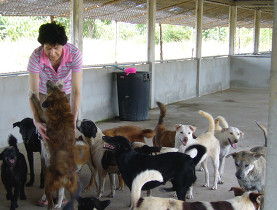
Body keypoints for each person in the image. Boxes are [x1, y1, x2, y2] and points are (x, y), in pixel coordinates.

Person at [27, 21, 82, 207]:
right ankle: (48, 191)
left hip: (65, 95)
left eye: (56, 48)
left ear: (63, 45)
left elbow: (76, 92)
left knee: (66, 143)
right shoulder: (35, 57)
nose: (52, 53)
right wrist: (36, 120)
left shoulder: (74, 54)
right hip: (44, 96)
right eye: (48, 48)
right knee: (46, 143)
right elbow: (33, 94)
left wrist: (73, 120)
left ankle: (64, 188)